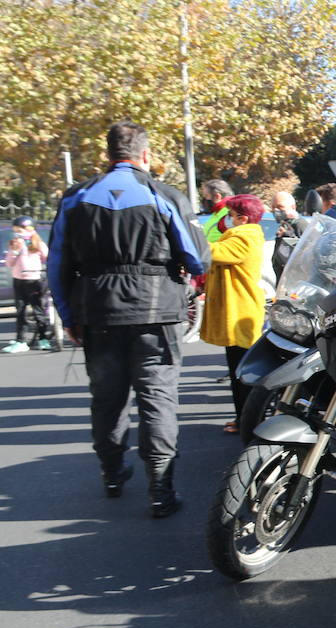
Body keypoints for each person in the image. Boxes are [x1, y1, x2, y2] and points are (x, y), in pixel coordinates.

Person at [49, 120, 210, 515]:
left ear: (108, 155)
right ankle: (161, 488)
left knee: (107, 400)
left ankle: (112, 473)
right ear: (146, 155)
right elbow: (197, 256)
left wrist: (69, 315)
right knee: (157, 399)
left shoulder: (77, 197)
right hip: (157, 313)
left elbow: (56, 264)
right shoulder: (163, 194)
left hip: (98, 312)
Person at [201, 194, 267, 434]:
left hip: (240, 311)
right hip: (238, 309)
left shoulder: (244, 236)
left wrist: (191, 236)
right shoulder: (242, 235)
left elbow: (215, 252)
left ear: (243, 218)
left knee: (242, 374)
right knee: (237, 371)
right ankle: (243, 419)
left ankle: (248, 422)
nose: (227, 220)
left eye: (230, 215)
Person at [4, 217, 53, 353]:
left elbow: (47, 258)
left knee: (38, 310)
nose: (18, 233)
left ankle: (43, 338)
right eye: (16, 231)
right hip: (19, 280)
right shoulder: (14, 243)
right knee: (21, 311)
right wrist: (15, 251)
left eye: (20, 230)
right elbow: (9, 263)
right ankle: (21, 341)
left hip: (34, 280)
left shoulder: (38, 243)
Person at [269, 190, 310, 282]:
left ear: (293, 207)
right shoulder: (285, 225)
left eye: (280, 207)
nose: (276, 210)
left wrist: (288, 236)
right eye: (273, 207)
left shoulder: (301, 225)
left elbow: (306, 256)